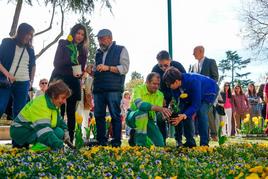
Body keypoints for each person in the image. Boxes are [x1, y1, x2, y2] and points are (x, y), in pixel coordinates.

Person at [50, 24, 88, 143]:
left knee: (71, 112)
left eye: (82, 34)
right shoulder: (63, 43)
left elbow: (81, 68)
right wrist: (73, 58)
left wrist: (80, 73)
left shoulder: (83, 50)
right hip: (60, 79)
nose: (80, 36)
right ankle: (55, 139)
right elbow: (56, 63)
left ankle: (70, 139)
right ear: (73, 32)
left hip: (73, 81)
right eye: (78, 33)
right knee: (57, 110)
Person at [163, 67, 219, 146]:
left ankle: (204, 144)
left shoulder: (193, 81)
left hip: (209, 91)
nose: (168, 87)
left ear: (176, 82)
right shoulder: (174, 87)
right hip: (194, 95)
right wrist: (177, 114)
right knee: (184, 112)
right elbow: (179, 103)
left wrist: (184, 115)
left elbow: (196, 104)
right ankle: (190, 142)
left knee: (201, 111)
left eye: (169, 85)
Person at [93, 29, 130, 147]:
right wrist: (91, 70)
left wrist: (108, 68)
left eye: (102, 38)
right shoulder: (98, 53)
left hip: (113, 89)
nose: (100, 41)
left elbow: (124, 68)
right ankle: (101, 141)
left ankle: (116, 142)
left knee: (115, 115)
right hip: (98, 88)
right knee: (98, 115)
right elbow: (97, 70)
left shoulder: (121, 49)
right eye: (98, 39)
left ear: (110, 38)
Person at [10, 80, 72, 150]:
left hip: (31, 129)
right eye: (63, 98)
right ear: (54, 95)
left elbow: (60, 121)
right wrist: (60, 146)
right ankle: (38, 148)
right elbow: (43, 130)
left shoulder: (53, 105)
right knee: (50, 135)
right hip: (21, 130)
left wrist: (66, 132)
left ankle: (42, 145)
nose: (64, 102)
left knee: (59, 132)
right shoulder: (41, 104)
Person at [0, 23, 36, 119]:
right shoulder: (7, 42)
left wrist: (31, 82)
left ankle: (16, 133)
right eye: (27, 33)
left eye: (31, 35)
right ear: (20, 32)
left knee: (19, 112)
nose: (29, 37)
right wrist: (7, 74)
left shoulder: (30, 49)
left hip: (23, 83)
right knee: (1, 106)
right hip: (6, 81)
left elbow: (33, 66)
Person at [126, 72, 171, 147]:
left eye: (158, 84)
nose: (156, 86)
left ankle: (134, 136)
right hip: (133, 116)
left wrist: (165, 116)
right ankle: (140, 145)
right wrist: (160, 108)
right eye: (154, 83)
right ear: (147, 82)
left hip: (149, 120)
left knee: (160, 144)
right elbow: (140, 105)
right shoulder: (138, 89)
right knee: (142, 113)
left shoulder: (160, 94)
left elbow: (158, 113)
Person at [151, 50, 186, 144]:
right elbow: (154, 87)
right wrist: (160, 98)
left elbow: (184, 83)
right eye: (160, 65)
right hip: (162, 98)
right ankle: (162, 140)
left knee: (177, 115)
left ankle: (179, 140)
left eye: (165, 65)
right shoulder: (155, 69)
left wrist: (176, 99)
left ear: (170, 60)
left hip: (177, 96)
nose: (163, 68)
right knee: (160, 117)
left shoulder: (178, 66)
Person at [190, 45, 219, 141]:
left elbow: (215, 78)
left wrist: (208, 89)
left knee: (208, 112)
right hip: (197, 94)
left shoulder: (211, 62)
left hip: (208, 94)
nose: (193, 54)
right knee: (200, 113)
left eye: (194, 52)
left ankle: (214, 134)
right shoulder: (193, 66)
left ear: (201, 51)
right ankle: (204, 134)